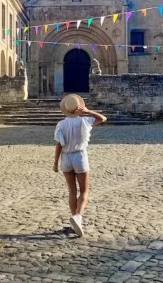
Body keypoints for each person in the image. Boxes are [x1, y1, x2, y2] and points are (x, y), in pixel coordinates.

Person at [53, 94, 107, 237]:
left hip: (66, 158)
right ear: (79, 107)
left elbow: (59, 145)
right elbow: (103, 119)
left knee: (72, 191)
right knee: (84, 191)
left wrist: (55, 163)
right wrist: (88, 111)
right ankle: (78, 217)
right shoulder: (85, 121)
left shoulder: (61, 124)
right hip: (79, 156)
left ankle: (74, 220)